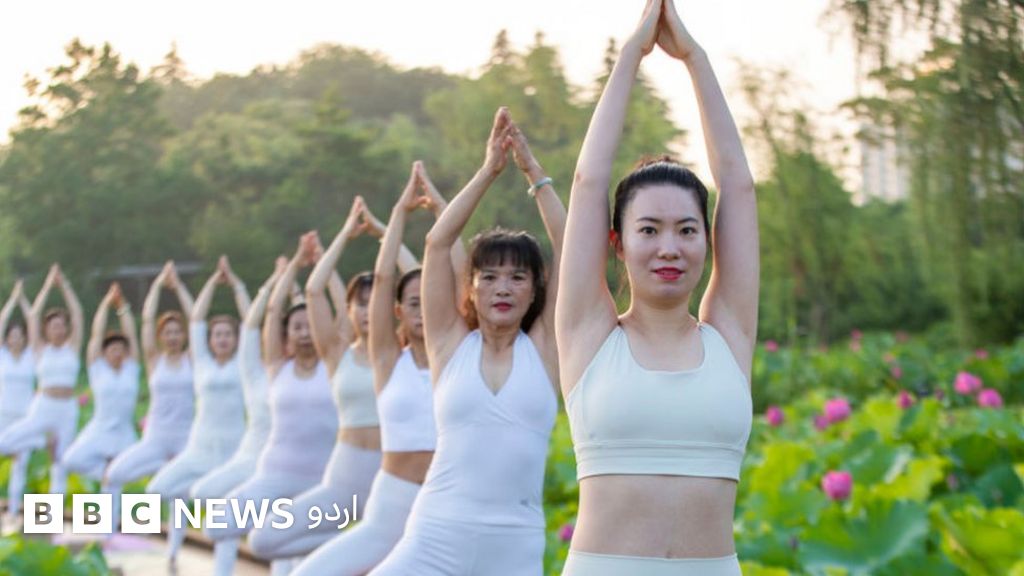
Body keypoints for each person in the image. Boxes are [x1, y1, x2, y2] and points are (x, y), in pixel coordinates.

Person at [557, 2, 758, 574]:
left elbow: (739, 186)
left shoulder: (730, 334)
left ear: (708, 242)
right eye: (649, 230)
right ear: (617, 243)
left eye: (687, 230)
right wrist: (631, 55)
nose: (669, 247)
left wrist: (694, 58)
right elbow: (588, 182)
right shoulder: (589, 335)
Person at [371, 110, 565, 576]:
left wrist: (533, 173)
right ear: (471, 288)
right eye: (490, 277)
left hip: (514, 547)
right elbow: (438, 243)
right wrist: (489, 170)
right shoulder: (450, 343)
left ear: (535, 289)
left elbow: (570, 243)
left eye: (517, 277)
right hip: (436, 534)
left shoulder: (546, 348)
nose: (503, 288)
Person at [292, 162, 465, 575]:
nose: (422, 310)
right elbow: (386, 277)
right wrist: (398, 215)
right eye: (413, 304)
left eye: (428, 301)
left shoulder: (459, 355)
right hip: (392, 505)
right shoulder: (388, 360)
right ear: (398, 312)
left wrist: (440, 207)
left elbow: (456, 270)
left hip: (445, 505)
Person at [250, 197, 420, 569]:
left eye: (374, 301)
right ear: (348, 310)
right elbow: (314, 290)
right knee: (264, 538)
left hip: (390, 478)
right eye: (359, 302)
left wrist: (384, 232)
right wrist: (343, 235)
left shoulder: (403, 353)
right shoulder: (335, 352)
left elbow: (420, 280)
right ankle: (341, 541)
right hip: (344, 477)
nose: (367, 309)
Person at [205, 235, 338, 576]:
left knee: (302, 560)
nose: (304, 332)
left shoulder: (334, 366)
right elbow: (274, 311)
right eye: (297, 327)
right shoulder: (277, 367)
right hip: (275, 473)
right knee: (216, 525)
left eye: (310, 325)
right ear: (286, 335)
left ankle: (320, 547)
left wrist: (322, 261)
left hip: (320, 480)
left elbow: (335, 312)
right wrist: (292, 266)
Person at [147, 256, 249, 565]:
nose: (222, 339)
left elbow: (251, 321)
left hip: (232, 451)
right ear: (210, 340)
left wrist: (237, 285)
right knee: (156, 491)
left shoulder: (244, 364)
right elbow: (196, 319)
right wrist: (211, 283)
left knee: (225, 524)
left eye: (228, 334)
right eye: (217, 334)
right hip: (199, 448)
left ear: (236, 340)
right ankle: (194, 494)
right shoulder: (200, 362)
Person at [104, 261, 195, 530]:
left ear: (184, 335)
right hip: (156, 436)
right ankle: (106, 532)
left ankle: (173, 550)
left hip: (185, 437)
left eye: (177, 332)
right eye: (167, 332)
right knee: (115, 474)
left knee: (178, 496)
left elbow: (195, 318)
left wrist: (178, 287)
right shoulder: (155, 360)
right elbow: (146, 319)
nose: (173, 336)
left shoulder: (192, 359)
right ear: (160, 336)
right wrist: (157, 285)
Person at [0, 264, 84, 497]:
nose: (58, 329)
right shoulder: (39, 350)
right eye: (54, 326)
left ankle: (52, 515)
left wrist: (64, 285)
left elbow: (77, 314)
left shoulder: (72, 348)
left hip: (67, 409)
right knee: (5, 443)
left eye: (62, 325)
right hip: (43, 406)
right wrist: (47, 286)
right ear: (46, 330)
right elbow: (33, 315)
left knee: (60, 464)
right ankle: (39, 442)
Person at [62, 283, 141, 483]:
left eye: (121, 349)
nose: (117, 352)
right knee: (71, 460)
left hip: (124, 432)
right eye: (113, 349)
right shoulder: (98, 370)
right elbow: (96, 335)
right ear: (104, 353)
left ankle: (112, 485)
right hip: (99, 429)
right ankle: (105, 474)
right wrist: (106, 304)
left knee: (121, 482)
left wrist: (122, 307)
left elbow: (131, 335)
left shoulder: (131, 370)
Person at [0, 280, 34, 517]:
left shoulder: (32, 356)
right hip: (2, 414)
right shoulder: (2, 355)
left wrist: (24, 301)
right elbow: (2, 321)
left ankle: (13, 512)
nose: (15, 339)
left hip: (25, 417)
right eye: (12, 336)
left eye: (19, 336)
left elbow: (32, 321)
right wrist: (13, 299)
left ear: (24, 338)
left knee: (20, 464)